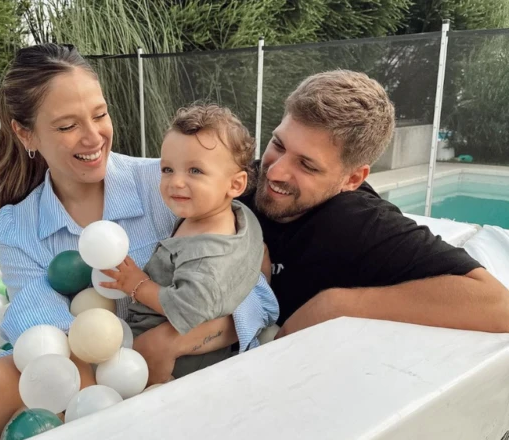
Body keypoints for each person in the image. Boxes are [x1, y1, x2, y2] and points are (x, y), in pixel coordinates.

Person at [0, 44, 277, 440]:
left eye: (99, 114)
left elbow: (252, 287)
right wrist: (104, 407)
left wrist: (172, 342)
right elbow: (47, 338)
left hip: (182, 372)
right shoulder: (17, 226)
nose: (93, 137)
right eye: (67, 125)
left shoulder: (168, 186)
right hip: (85, 381)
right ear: (26, 134)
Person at [133, 70, 509, 380]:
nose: (275, 172)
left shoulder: (360, 224)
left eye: (307, 165)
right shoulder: (238, 187)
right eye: (279, 145)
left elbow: (497, 304)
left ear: (352, 178)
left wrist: (337, 304)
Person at [100, 104, 278, 377]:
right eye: (167, 169)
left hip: (174, 364)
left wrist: (138, 285)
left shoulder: (207, 256)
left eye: (195, 171)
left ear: (235, 185)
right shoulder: (237, 216)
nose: (176, 182)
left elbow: (188, 309)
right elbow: (260, 255)